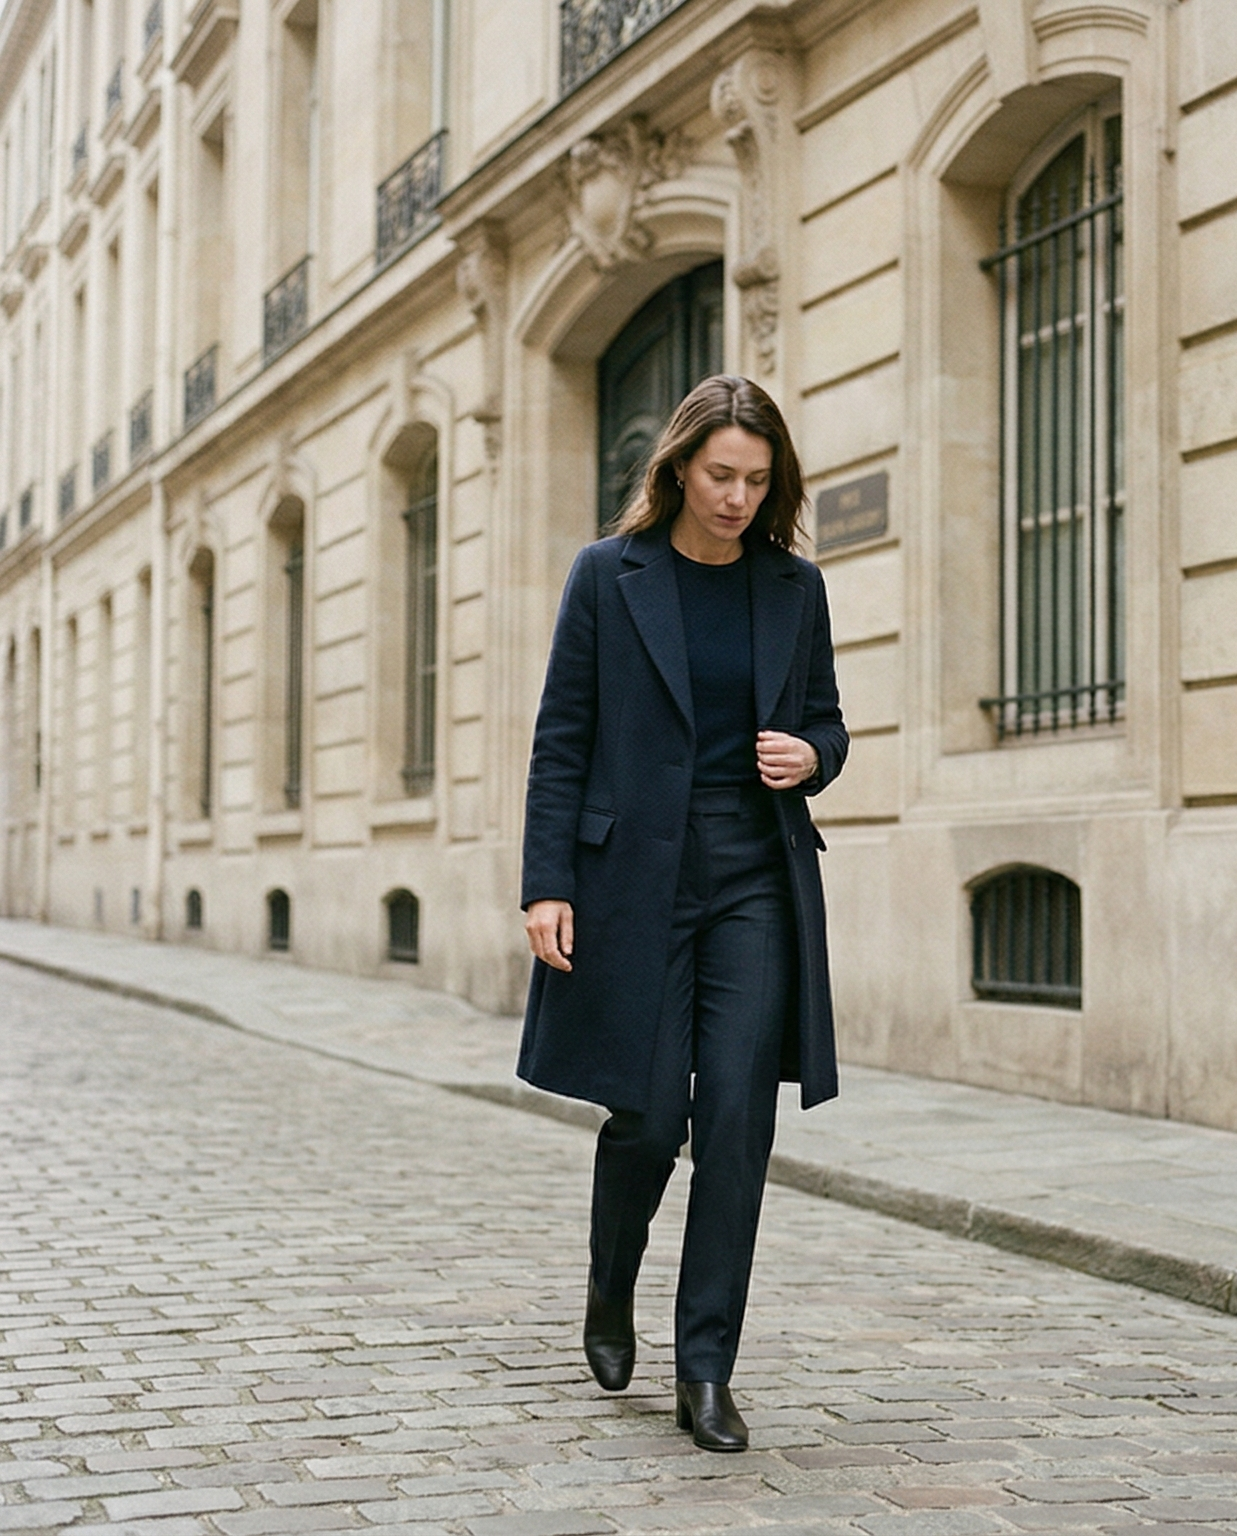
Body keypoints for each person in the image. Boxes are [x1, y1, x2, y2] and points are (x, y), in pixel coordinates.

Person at [515, 373, 845, 1453]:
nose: (737, 498)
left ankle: (706, 1369)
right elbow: (563, 733)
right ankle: (610, 1288)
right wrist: (546, 882)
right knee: (650, 1116)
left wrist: (812, 757)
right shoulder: (610, 576)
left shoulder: (792, 588)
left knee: (739, 1126)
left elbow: (826, 727)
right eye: (719, 475)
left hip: (755, 876)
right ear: (679, 468)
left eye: (756, 480)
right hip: (632, 885)